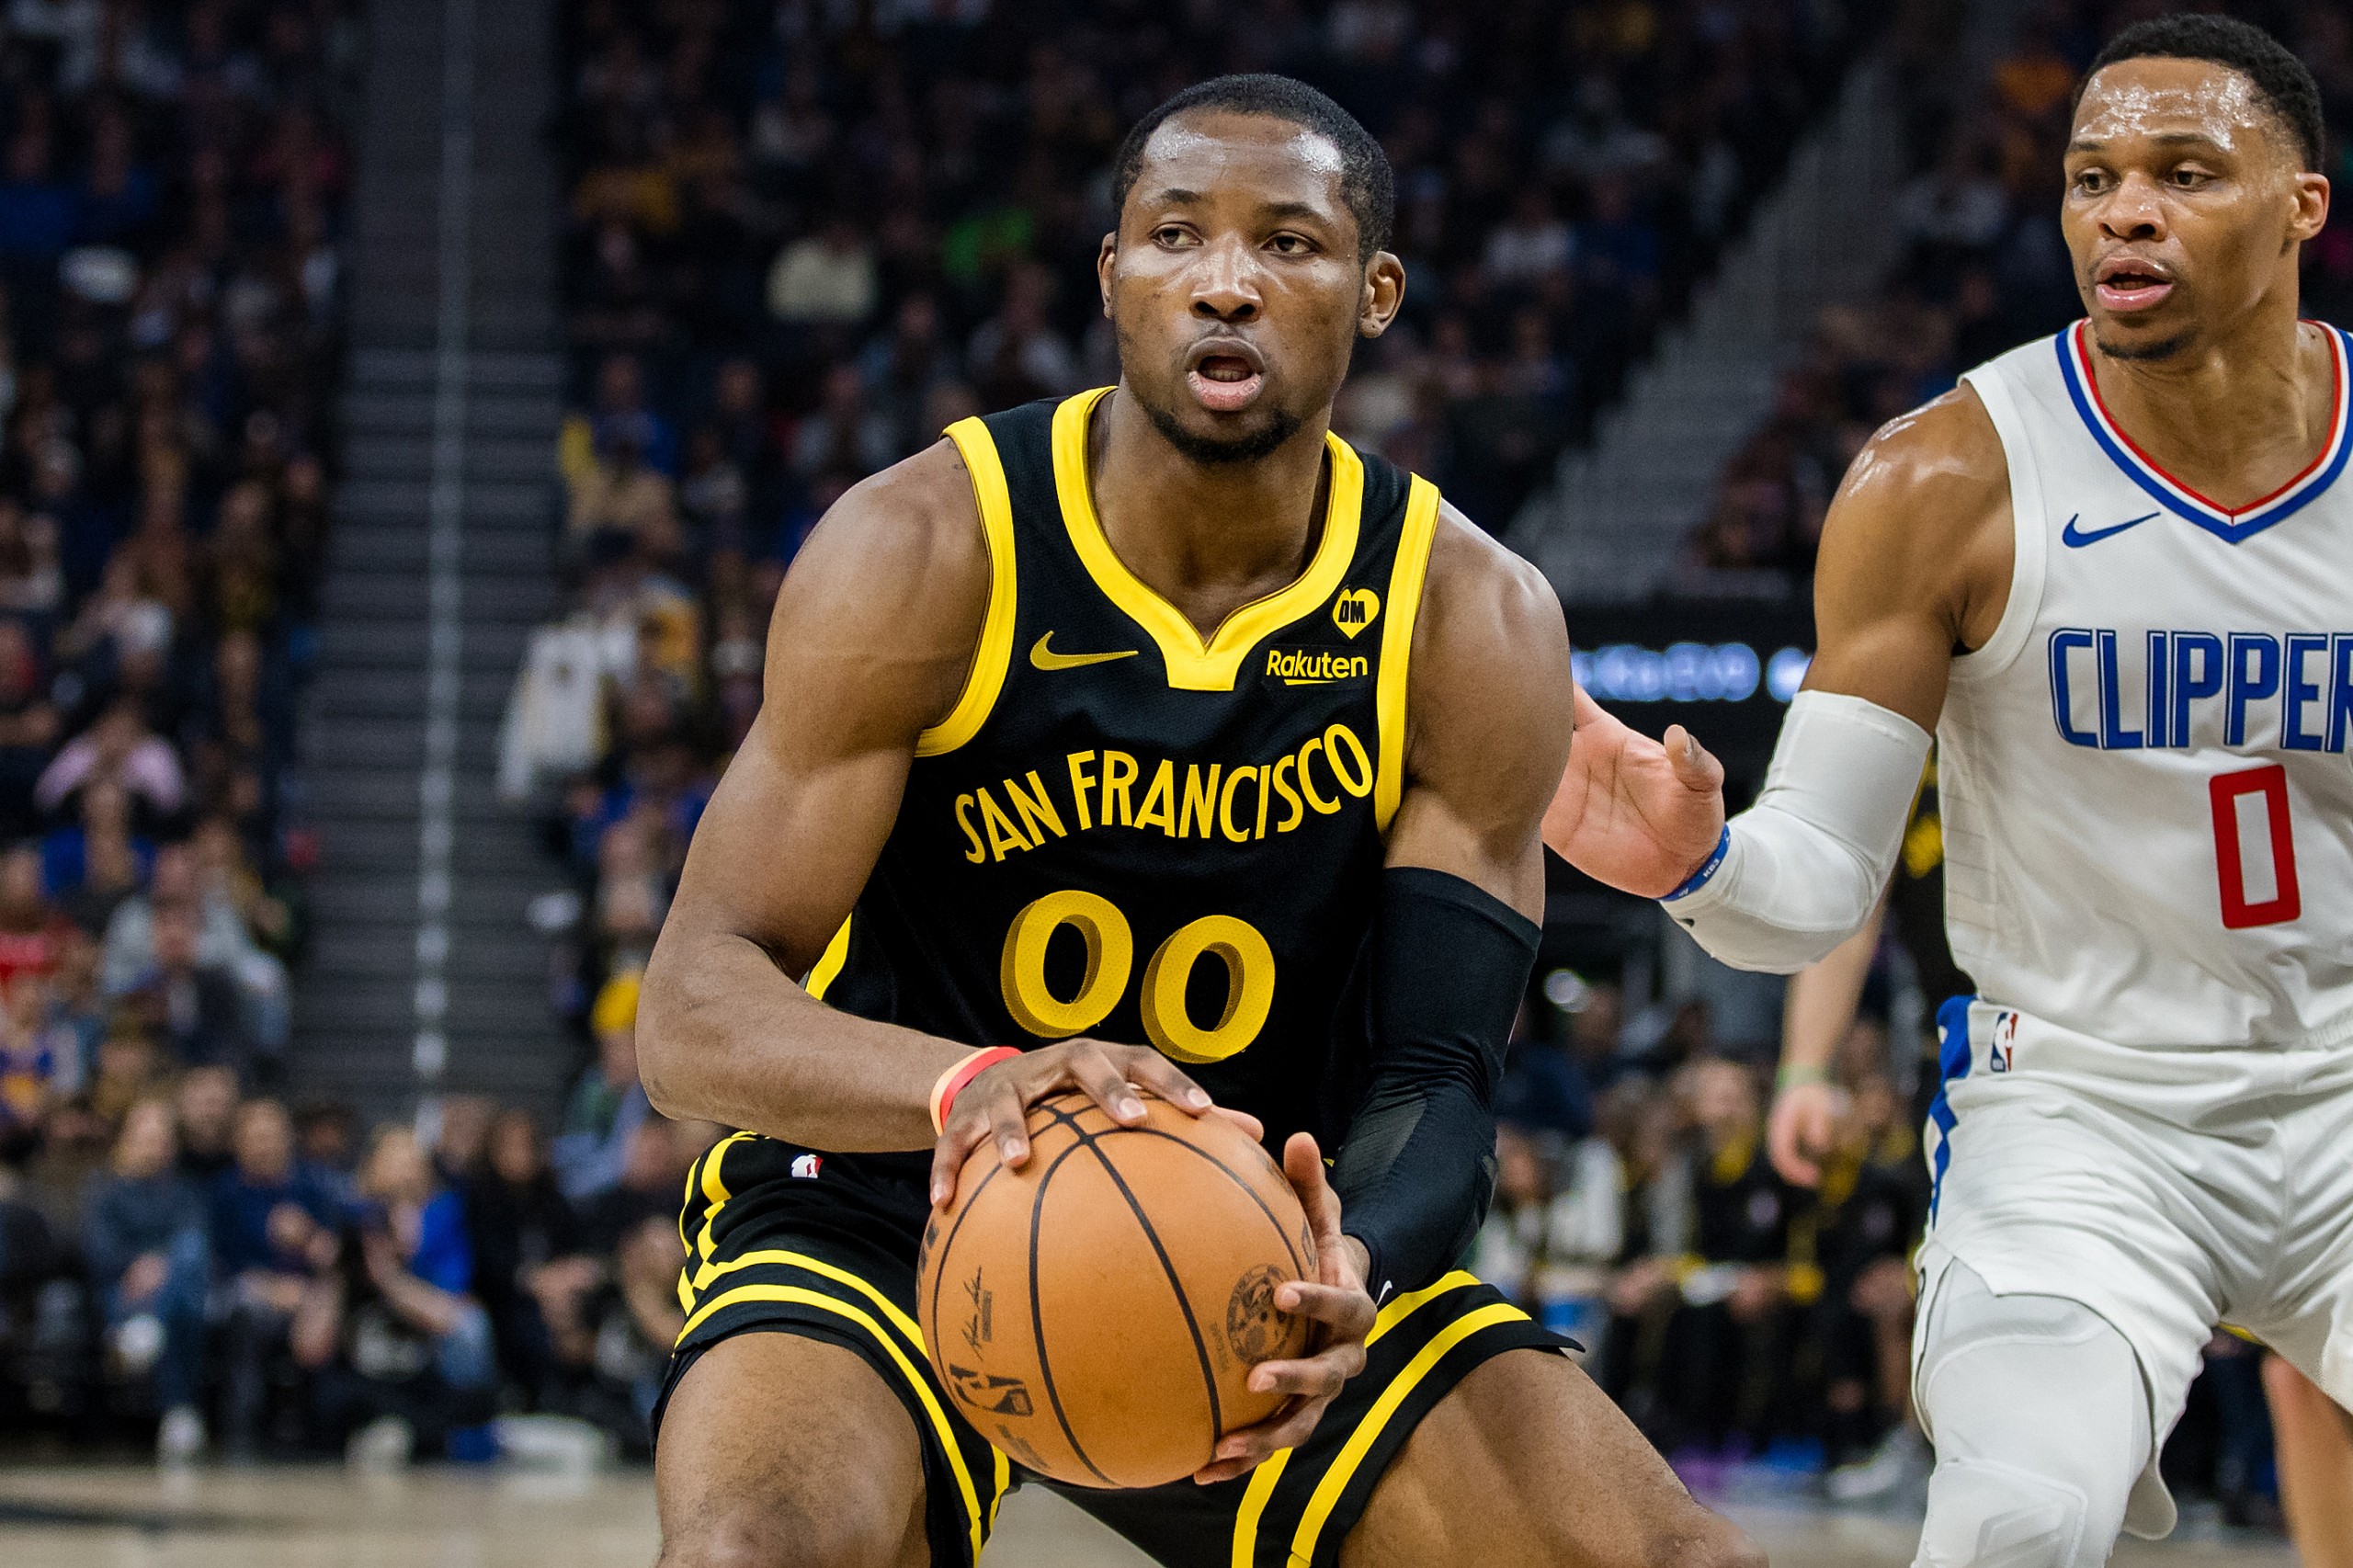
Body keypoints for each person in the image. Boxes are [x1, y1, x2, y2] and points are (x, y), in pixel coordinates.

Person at [637, 74, 1757, 1568]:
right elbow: (694, 1011)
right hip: (892, 1207)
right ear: (1112, 275)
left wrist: (1347, 1256)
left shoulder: (1465, 619)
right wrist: (972, 1086)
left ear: (1376, 293)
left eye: (1287, 244)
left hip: (1262, 1238)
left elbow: (1435, 1066)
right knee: (750, 1556)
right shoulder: (926, 547)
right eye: (1175, 237)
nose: (1224, 281)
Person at [1546, 17, 2353, 1566]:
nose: (2127, 210)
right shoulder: (1945, 478)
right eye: (2094, 177)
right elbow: (1815, 897)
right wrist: (1700, 863)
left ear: (2301, 206)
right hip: (2084, 1114)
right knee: (2016, 1521)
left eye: (2186, 173)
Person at [82, 1095, 210, 1461]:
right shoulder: (104, 1190)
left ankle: (148, 1325)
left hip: (174, 1288)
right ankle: (179, 1409)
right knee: (184, 1302)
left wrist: (159, 1267)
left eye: (162, 1138)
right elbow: (99, 1249)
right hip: (121, 1291)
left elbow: (195, 1245)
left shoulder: (185, 1194)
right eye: (146, 1137)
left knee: (187, 1263)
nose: (154, 1146)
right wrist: (138, 1266)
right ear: (127, 1139)